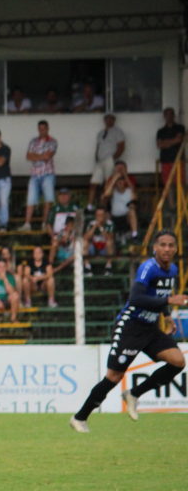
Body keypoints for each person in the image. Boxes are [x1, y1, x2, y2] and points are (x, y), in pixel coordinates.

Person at [70, 230, 186, 433]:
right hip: (130, 326)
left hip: (150, 328)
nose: (167, 249)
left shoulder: (172, 270)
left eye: (171, 245)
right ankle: (80, 417)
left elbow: (161, 294)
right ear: (155, 248)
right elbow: (136, 299)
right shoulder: (148, 268)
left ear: (176, 249)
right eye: (163, 245)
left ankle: (133, 394)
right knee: (114, 377)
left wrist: (166, 316)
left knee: (178, 361)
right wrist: (168, 301)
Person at [21, 120, 58, 232]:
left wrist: (36, 156)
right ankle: (27, 224)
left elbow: (48, 156)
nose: (41, 131)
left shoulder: (53, 141)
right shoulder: (33, 141)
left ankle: (45, 223)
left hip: (48, 174)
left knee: (48, 199)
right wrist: (42, 156)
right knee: (30, 199)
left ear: (47, 128)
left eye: (43, 128)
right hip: (34, 174)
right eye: (40, 129)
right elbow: (28, 156)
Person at [87, 114, 125, 208]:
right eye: (107, 119)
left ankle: (107, 206)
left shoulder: (118, 131)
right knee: (94, 182)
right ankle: (89, 206)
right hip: (100, 161)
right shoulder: (100, 133)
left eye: (111, 119)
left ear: (114, 120)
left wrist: (113, 158)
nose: (109, 120)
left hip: (109, 159)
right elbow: (98, 146)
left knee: (109, 183)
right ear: (104, 120)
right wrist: (96, 157)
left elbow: (121, 146)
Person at [102, 164, 139, 240]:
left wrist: (124, 175)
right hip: (114, 218)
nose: (120, 182)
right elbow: (106, 194)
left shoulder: (129, 191)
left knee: (132, 211)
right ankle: (106, 236)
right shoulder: (113, 191)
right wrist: (115, 178)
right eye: (118, 180)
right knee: (105, 214)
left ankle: (135, 234)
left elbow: (135, 198)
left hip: (126, 218)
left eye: (122, 180)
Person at [156, 108, 185, 187]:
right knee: (168, 184)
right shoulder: (160, 131)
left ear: (174, 115)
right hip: (165, 161)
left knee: (180, 183)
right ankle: (171, 200)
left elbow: (179, 140)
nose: (169, 116)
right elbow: (159, 145)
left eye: (171, 114)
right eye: (167, 114)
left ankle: (182, 200)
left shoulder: (180, 127)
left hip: (178, 160)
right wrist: (173, 141)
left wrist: (165, 142)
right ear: (164, 116)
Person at [83, 207, 115, 276]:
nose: (100, 217)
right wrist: (94, 227)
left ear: (105, 215)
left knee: (110, 242)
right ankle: (87, 268)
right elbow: (86, 237)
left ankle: (108, 267)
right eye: (98, 215)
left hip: (104, 248)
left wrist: (100, 227)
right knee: (85, 242)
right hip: (93, 248)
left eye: (101, 215)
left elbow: (110, 238)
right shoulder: (91, 223)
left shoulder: (110, 224)